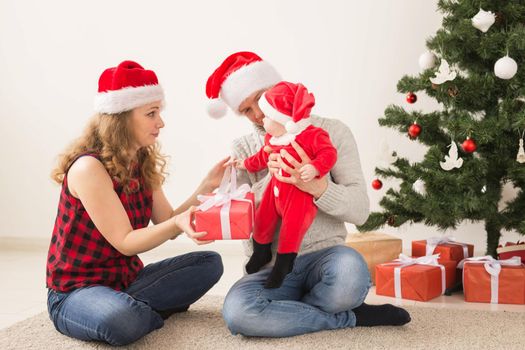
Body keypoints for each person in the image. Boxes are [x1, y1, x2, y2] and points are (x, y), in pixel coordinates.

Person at [206, 51, 411, 337]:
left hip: (328, 259)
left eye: (261, 98)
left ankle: (293, 313)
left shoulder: (331, 132)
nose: (259, 114)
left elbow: (360, 211)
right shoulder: (243, 149)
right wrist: (274, 178)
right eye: (246, 109)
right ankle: (346, 317)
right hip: (270, 267)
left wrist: (317, 186)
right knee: (238, 314)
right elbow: (244, 222)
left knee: (350, 277)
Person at [46, 60, 226, 346]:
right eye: (151, 113)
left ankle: (134, 306)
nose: (161, 122)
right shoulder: (88, 168)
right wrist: (177, 222)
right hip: (76, 291)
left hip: (127, 282)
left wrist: (206, 186)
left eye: (159, 112)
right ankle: (138, 310)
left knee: (210, 263)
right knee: (120, 321)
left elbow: (168, 218)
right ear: (121, 118)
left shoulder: (141, 159)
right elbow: (126, 242)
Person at [234, 81, 337, 288]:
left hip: (298, 198)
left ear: (285, 119)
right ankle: (261, 252)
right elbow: (261, 157)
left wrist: (315, 168)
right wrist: (244, 164)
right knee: (262, 220)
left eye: (267, 115)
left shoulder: (313, 135)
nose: (261, 117)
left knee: (291, 230)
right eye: (247, 110)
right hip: (275, 191)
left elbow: (329, 154)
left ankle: (284, 264)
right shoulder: (274, 137)